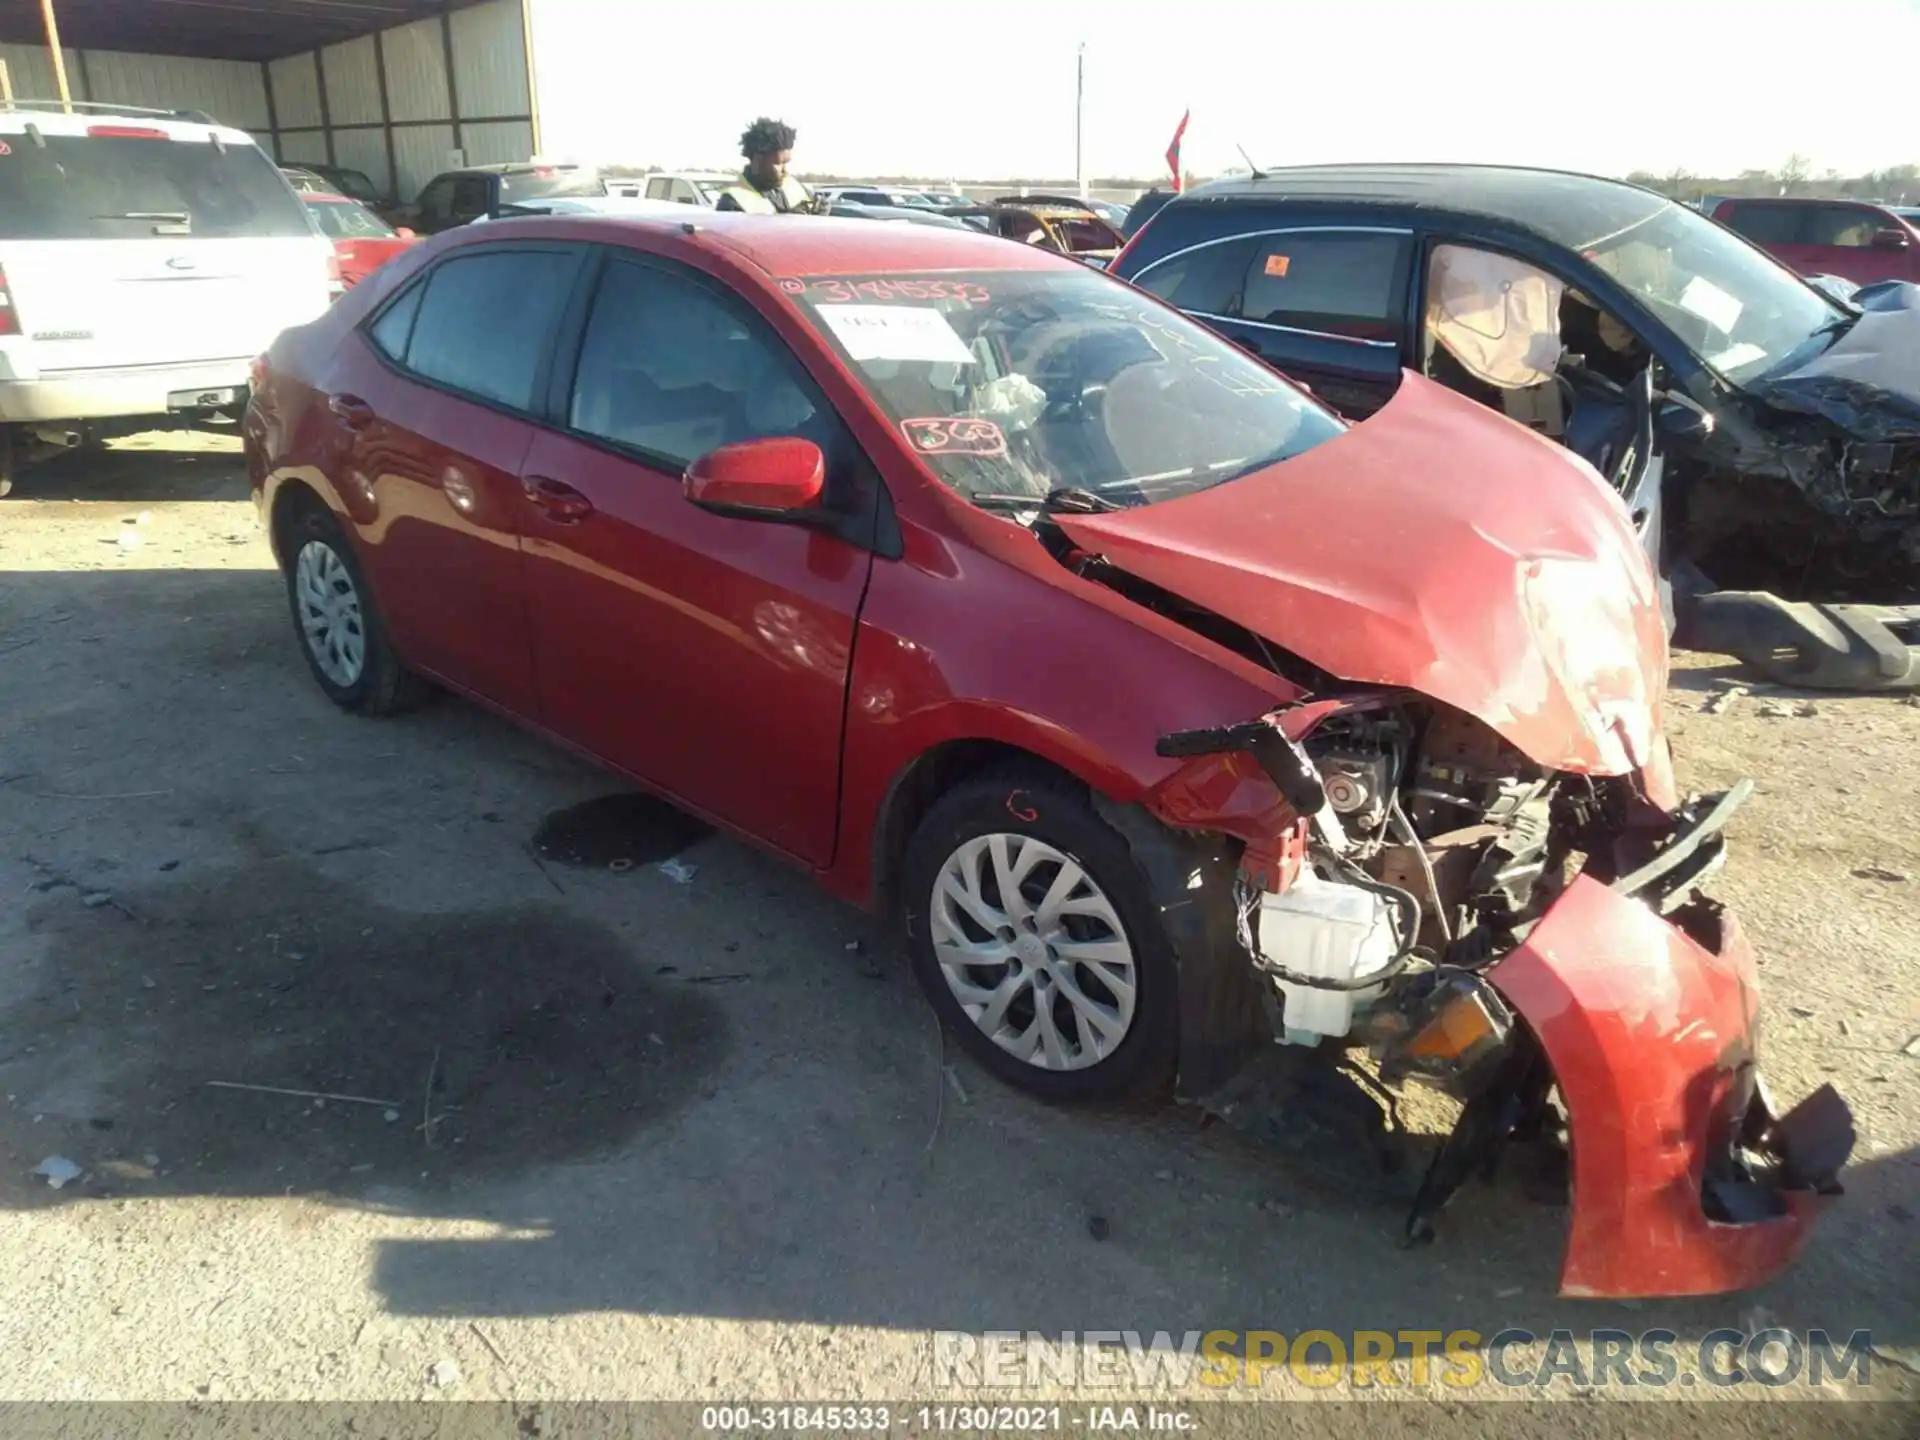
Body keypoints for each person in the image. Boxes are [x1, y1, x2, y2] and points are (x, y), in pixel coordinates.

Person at [716, 117, 815, 214]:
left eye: (786, 162)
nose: (785, 170)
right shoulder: (732, 201)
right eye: (778, 163)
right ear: (758, 160)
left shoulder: (793, 186)